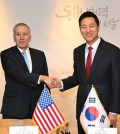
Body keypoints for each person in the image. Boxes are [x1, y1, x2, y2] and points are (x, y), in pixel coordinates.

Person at [49, 11, 120, 134]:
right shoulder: (78, 51)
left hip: (104, 112)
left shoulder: (113, 51)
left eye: (91, 26)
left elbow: (117, 83)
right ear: (80, 29)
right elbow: (78, 77)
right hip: (83, 111)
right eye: (84, 26)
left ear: (98, 27)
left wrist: (114, 111)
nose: (88, 30)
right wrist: (61, 83)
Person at [0, 23, 53, 119]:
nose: (21, 37)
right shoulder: (6, 54)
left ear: (30, 37)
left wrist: (46, 106)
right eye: (18, 34)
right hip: (14, 110)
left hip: (38, 111)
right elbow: (17, 74)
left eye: (24, 34)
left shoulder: (40, 55)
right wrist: (41, 78)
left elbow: (46, 82)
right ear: (14, 37)